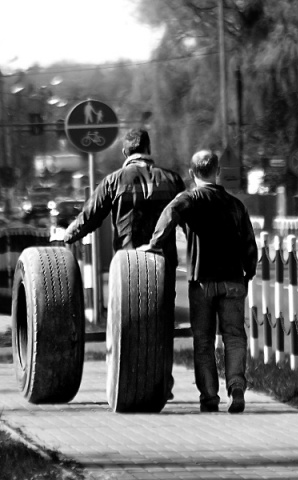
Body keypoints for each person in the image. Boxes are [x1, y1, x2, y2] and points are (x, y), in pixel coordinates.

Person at [64, 128, 186, 399]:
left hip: (128, 268)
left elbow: (90, 216)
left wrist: (67, 236)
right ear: (149, 148)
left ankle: (130, 379)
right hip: (162, 264)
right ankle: (162, 383)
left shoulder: (114, 180)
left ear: (125, 152)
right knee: (162, 323)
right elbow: (189, 220)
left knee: (127, 322)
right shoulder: (173, 180)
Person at [139, 149, 258, 414]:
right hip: (232, 281)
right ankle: (236, 387)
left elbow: (169, 215)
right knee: (235, 337)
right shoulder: (235, 204)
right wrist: (247, 274)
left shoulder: (189, 199)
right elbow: (250, 245)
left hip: (201, 281)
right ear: (217, 172)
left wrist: (155, 243)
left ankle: (209, 398)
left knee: (203, 341)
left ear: (192, 173)